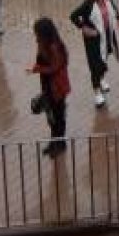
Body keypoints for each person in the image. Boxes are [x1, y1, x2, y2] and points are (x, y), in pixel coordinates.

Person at [68, 0, 119, 108]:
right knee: (95, 65)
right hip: (93, 40)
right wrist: (84, 27)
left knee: (104, 59)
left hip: (107, 37)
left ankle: (101, 79)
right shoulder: (88, 4)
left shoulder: (108, 1)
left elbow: (115, 11)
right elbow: (73, 16)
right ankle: (97, 93)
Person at [28, 18, 70, 157]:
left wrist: (38, 69)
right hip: (48, 86)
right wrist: (37, 68)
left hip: (57, 87)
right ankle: (55, 143)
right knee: (52, 117)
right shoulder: (43, 44)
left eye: (37, 32)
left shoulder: (54, 46)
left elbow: (55, 67)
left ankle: (60, 144)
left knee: (58, 116)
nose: (35, 35)